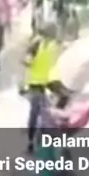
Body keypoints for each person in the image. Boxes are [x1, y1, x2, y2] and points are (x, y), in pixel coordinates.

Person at [22, 22, 62, 153]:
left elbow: (27, 61)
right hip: (43, 83)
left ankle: (34, 141)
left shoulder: (43, 44)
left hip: (43, 83)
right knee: (41, 111)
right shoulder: (44, 44)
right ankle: (34, 141)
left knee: (38, 112)